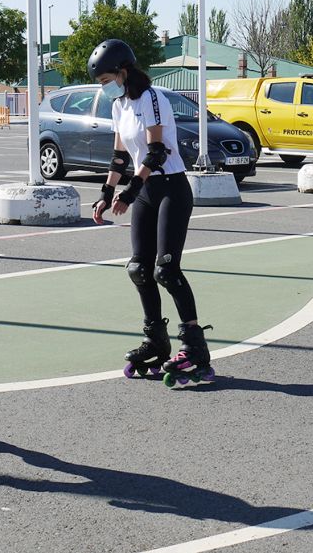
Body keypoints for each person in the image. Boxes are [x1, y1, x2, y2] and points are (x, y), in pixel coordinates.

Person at [88, 39, 213, 386]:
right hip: (146, 192)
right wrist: (106, 192)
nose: (105, 87)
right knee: (139, 269)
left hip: (171, 186)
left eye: (106, 80)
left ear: (123, 72)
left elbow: (156, 151)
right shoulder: (119, 105)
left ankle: (195, 347)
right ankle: (156, 339)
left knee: (167, 270)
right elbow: (119, 157)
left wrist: (129, 192)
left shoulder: (151, 98)